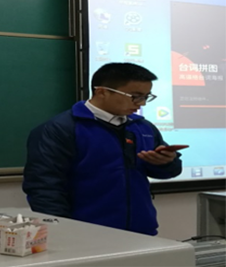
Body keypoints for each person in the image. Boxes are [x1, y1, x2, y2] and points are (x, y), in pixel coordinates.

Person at [22, 62, 182, 236]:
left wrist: (166, 163)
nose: (141, 103)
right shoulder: (62, 129)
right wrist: (62, 231)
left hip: (142, 230)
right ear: (102, 92)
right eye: (135, 96)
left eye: (146, 97)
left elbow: (169, 171)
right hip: (85, 233)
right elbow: (44, 186)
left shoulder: (143, 127)